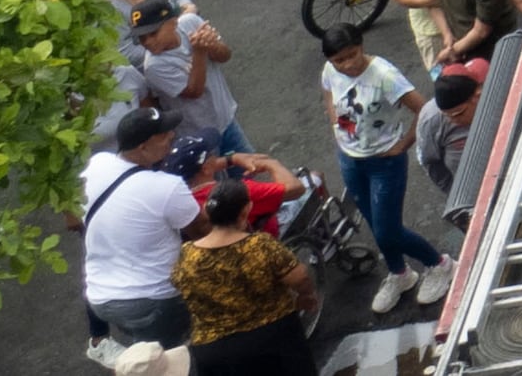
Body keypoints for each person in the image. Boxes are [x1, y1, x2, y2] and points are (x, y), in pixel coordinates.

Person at [317, 23, 451, 313]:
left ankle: (438, 264)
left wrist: (402, 145)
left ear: (361, 46)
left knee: (387, 230)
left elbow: (424, 109)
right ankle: (399, 273)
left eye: (352, 55)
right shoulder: (330, 71)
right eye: (339, 60)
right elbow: (329, 94)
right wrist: (339, 128)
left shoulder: (384, 76)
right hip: (351, 159)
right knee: (375, 225)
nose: (347, 64)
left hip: (384, 163)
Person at [77, 99, 204, 352]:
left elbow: (73, 212)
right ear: (144, 147)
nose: (172, 136)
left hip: (100, 296)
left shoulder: (98, 164)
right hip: (152, 301)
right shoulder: (166, 187)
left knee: (143, 353)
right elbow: (204, 233)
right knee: (169, 360)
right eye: (163, 135)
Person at [175, 167, 321, 376]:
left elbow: (180, 283)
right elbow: (300, 277)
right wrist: (305, 296)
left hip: (213, 350)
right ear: (246, 211)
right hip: (270, 338)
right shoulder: (259, 245)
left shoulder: (187, 254)